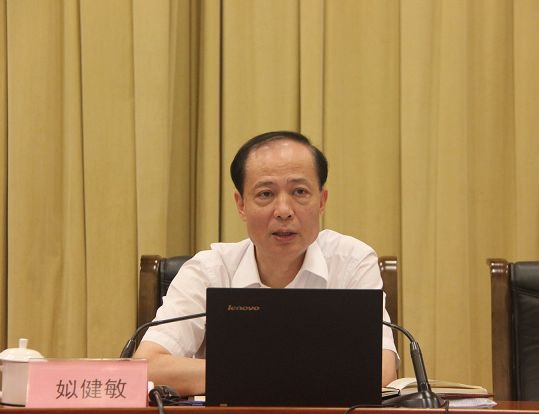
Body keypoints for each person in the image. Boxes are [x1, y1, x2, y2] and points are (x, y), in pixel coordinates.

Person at [134, 131, 398, 396]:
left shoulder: (351, 262)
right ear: (241, 205)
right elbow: (147, 368)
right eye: (265, 194)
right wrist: (285, 373)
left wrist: (243, 374)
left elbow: (381, 370)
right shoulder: (210, 271)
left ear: (321, 201)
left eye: (299, 192)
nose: (284, 210)